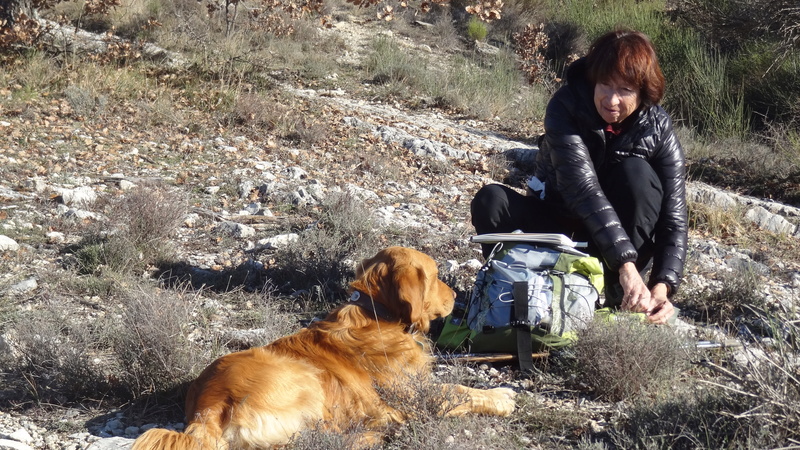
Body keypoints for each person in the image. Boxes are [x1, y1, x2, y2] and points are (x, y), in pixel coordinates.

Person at [471, 29, 687, 324]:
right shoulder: (566, 106)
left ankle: (610, 292)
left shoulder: (658, 127)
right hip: (556, 227)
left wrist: (662, 286)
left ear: (643, 92)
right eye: (605, 85)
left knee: (637, 174)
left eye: (624, 90)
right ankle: (510, 286)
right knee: (491, 200)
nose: (612, 100)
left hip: (608, 250)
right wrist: (627, 264)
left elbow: (674, 218)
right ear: (592, 80)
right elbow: (582, 189)